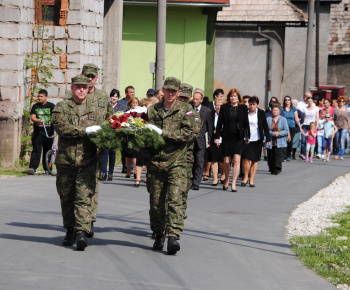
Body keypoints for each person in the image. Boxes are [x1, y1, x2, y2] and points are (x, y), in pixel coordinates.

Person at [51, 75, 113, 251]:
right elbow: (61, 127)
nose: (81, 90)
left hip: (88, 160)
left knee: (84, 197)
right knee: (66, 197)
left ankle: (81, 232)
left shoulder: (97, 109)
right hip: (66, 161)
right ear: (72, 88)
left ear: (88, 89)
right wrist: (84, 130)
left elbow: (107, 128)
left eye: (84, 87)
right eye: (78, 87)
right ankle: (70, 229)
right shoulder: (62, 107)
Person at [147, 77, 197, 255]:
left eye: (173, 91)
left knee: (175, 199)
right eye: (167, 90)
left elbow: (191, 132)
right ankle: (159, 233)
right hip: (156, 162)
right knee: (156, 203)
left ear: (178, 92)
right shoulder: (153, 110)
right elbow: (147, 134)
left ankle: (173, 236)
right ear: (162, 90)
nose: (170, 93)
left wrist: (165, 133)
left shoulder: (186, 111)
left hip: (178, 161)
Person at [177, 83, 202, 234]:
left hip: (186, 157)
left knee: (183, 190)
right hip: (169, 158)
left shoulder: (194, 115)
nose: (183, 100)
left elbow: (194, 132)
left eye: (186, 98)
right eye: (181, 97)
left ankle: (179, 216)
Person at [214, 88, 250, 192]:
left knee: (236, 160)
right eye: (231, 96)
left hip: (238, 137)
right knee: (226, 161)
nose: (233, 98)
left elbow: (246, 124)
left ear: (238, 98)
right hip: (226, 137)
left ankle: (233, 182)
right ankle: (227, 178)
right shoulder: (224, 107)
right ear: (229, 97)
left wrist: (247, 136)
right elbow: (219, 123)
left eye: (234, 96)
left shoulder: (243, 108)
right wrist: (217, 137)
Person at [241, 96, 270, 187]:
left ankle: (251, 179)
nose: (252, 106)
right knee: (245, 159)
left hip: (257, 139)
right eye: (250, 104)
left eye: (253, 105)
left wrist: (268, 139)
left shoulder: (261, 113)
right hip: (247, 139)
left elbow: (265, 126)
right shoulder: (245, 113)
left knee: (254, 160)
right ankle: (245, 177)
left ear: (257, 105)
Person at [27, 89, 55, 175]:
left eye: (41, 96)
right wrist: (39, 120)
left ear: (46, 97)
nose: (39, 98)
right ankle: (32, 168)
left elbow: (55, 117)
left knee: (48, 150)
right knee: (36, 150)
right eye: (38, 96)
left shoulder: (51, 106)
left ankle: (47, 168)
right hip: (38, 132)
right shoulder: (35, 106)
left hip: (49, 131)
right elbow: (33, 118)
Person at [100, 89, 126, 181]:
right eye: (113, 96)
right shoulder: (106, 105)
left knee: (113, 152)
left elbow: (123, 118)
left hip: (116, 132)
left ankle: (111, 173)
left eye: (116, 96)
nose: (114, 98)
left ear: (118, 98)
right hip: (106, 131)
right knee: (105, 152)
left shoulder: (121, 106)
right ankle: (103, 172)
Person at [191, 88, 213, 190]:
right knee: (191, 162)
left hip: (201, 141)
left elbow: (210, 127)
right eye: (194, 99)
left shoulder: (207, 111)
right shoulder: (188, 109)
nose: (194, 101)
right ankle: (190, 180)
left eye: (197, 99)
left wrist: (210, 140)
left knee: (199, 162)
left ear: (201, 100)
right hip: (190, 141)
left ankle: (196, 183)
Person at [134, 98, 154, 187]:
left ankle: (147, 177)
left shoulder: (154, 114)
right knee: (140, 158)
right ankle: (138, 178)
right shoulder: (140, 114)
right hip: (141, 138)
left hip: (151, 139)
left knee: (148, 159)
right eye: (149, 105)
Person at [265, 103, 289, 175]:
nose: (275, 111)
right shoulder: (268, 119)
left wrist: (279, 133)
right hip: (271, 140)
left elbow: (286, 130)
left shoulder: (283, 119)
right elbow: (266, 130)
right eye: (274, 110)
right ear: (271, 111)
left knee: (278, 155)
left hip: (280, 140)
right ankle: (271, 168)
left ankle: (277, 168)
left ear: (279, 112)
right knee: (271, 155)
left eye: (277, 110)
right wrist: (273, 133)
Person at [208, 97, 225, 185]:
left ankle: (223, 174)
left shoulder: (226, 115)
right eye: (217, 105)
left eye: (220, 105)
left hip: (224, 140)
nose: (218, 107)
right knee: (214, 159)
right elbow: (208, 126)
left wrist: (219, 132)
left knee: (222, 160)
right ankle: (215, 179)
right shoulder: (212, 114)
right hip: (213, 139)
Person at [281, 96, 302, 161]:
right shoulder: (282, 108)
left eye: (288, 100)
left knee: (290, 141)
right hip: (284, 126)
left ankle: (288, 155)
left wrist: (300, 127)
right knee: (284, 140)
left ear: (290, 101)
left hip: (292, 126)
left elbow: (296, 118)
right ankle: (284, 155)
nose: (287, 101)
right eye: (286, 100)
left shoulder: (293, 109)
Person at [124, 96, 139, 177]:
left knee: (135, 154)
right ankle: (128, 171)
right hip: (128, 135)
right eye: (133, 103)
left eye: (136, 103)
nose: (135, 104)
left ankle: (136, 172)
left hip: (137, 135)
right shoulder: (127, 112)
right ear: (130, 104)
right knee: (128, 154)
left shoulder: (141, 112)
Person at [333, 96, 350, 160]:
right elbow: (333, 119)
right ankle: (337, 153)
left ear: (344, 102)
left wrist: (349, 128)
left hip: (344, 127)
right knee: (337, 140)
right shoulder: (336, 110)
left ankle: (341, 154)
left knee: (342, 140)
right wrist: (333, 127)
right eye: (339, 101)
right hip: (337, 127)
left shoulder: (347, 110)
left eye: (342, 101)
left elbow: (348, 120)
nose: (341, 103)